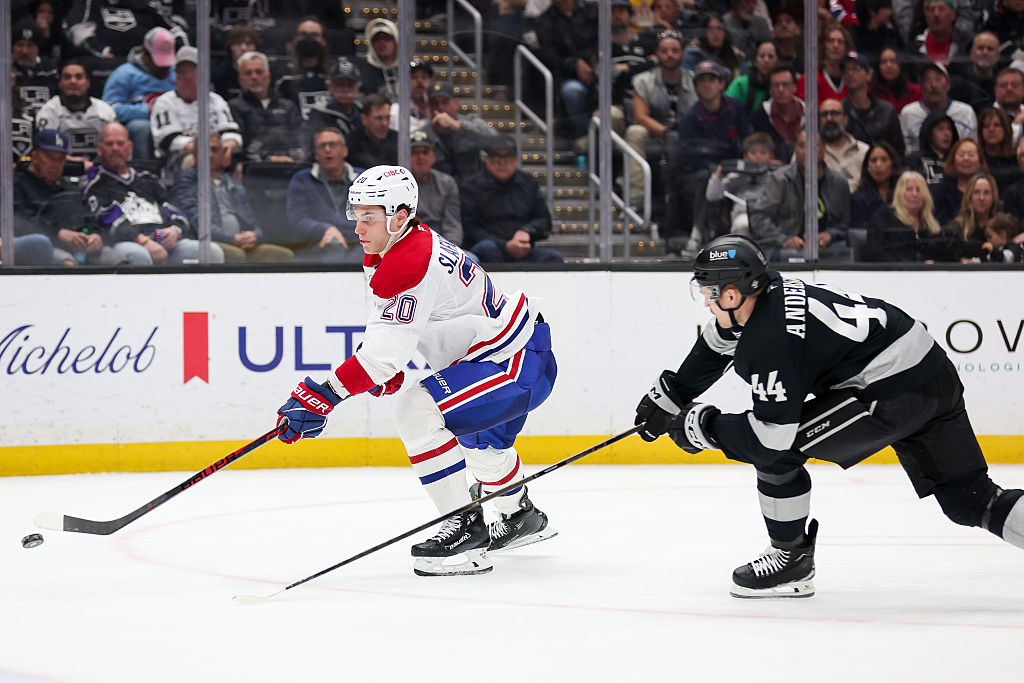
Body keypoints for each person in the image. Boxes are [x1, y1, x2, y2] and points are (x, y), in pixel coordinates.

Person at [632, 232, 1024, 599]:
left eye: (709, 294)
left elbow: (769, 439)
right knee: (969, 498)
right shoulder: (769, 294)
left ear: (732, 295)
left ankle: (791, 559)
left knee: (778, 451)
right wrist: (672, 394)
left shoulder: (771, 339)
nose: (706, 303)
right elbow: (719, 341)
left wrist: (698, 426)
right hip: (932, 374)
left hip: (891, 395)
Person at [274, 165, 558, 576]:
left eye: (368, 216)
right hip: (514, 352)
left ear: (400, 215)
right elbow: (393, 332)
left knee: (415, 408)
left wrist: (323, 395)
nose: (357, 226)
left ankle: (465, 530)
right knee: (484, 448)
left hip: (513, 363)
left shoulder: (409, 259)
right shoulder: (396, 246)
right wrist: (376, 367)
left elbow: (382, 355)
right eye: (355, 214)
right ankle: (520, 517)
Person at [81, 122, 223, 265]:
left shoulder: (147, 178)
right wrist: (143, 240)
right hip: (127, 241)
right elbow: (105, 221)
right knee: (139, 255)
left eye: (120, 143)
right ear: (100, 149)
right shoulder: (95, 182)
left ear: (129, 147)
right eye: (109, 144)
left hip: (158, 236)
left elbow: (170, 208)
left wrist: (174, 230)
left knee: (212, 251)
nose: (115, 148)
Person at [169, 133, 294, 264]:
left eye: (214, 150)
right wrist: (232, 239)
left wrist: (255, 236)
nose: (209, 155)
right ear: (195, 154)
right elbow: (197, 223)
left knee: (282, 254)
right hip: (208, 242)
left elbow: (252, 220)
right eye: (203, 150)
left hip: (240, 242)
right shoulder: (186, 181)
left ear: (224, 153)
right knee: (236, 255)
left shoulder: (234, 185)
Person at [13, 129, 124, 266]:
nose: (55, 164)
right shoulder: (16, 185)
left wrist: (95, 235)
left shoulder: (68, 187)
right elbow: (19, 224)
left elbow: (88, 218)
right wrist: (58, 233)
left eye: (60, 159)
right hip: (43, 247)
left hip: (80, 247)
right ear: (34, 156)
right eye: (50, 158)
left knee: (117, 259)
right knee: (67, 263)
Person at [749, 128, 851, 261]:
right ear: (795, 150)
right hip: (786, 248)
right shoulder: (779, 180)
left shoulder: (839, 183)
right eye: (802, 146)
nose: (807, 151)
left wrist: (829, 235)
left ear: (824, 150)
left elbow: (845, 224)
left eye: (813, 146)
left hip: (828, 248)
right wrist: (784, 239)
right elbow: (759, 218)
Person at [460, 136, 563, 264]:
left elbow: (544, 220)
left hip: (522, 248)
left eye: (507, 157)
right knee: (488, 248)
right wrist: (505, 245)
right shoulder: (471, 186)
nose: (502, 163)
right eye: (496, 157)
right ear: (487, 159)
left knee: (554, 257)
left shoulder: (528, 183)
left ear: (516, 160)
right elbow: (470, 228)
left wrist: (527, 230)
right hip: (486, 248)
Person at [625, 30, 697, 212]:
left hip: (689, 136)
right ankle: (636, 201)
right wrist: (667, 133)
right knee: (635, 132)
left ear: (683, 54)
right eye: (664, 51)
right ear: (657, 54)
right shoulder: (643, 81)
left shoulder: (696, 81)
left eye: (675, 51)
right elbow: (641, 117)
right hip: (656, 136)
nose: (669, 55)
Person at [150, 47, 242, 177]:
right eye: (181, 71)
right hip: (179, 157)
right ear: (175, 75)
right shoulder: (165, 102)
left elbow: (231, 132)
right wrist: (204, 151)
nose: (187, 76)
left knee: (238, 164)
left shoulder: (216, 100)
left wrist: (227, 146)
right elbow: (169, 140)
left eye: (193, 70)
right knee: (194, 160)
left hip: (216, 152)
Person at [283, 127, 364, 263]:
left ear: (344, 151)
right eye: (322, 146)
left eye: (333, 144)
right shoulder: (302, 179)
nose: (327, 150)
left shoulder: (364, 178)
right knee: (334, 247)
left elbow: (375, 216)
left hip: (359, 241)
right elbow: (297, 221)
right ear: (316, 154)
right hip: (320, 243)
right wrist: (325, 229)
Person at [101, 27, 178, 159]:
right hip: (142, 123)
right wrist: (148, 111)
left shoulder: (178, 73)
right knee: (141, 128)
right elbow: (109, 109)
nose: (164, 68)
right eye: (159, 62)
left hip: (175, 121)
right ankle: (143, 167)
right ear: (144, 54)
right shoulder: (124, 74)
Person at [534, 0, 599, 144]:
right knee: (571, 91)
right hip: (568, 77)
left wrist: (595, 65)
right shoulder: (544, 21)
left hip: (602, 71)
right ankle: (590, 138)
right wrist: (574, 63)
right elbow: (550, 57)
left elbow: (602, 42)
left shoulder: (593, 11)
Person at [228, 51, 309, 164]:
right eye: (248, 73)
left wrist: (293, 157)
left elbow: (301, 138)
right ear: (240, 79)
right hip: (252, 167)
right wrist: (267, 159)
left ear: (268, 76)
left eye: (259, 72)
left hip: (290, 163)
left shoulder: (288, 106)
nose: (254, 77)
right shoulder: (233, 107)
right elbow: (237, 145)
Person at [35, 60, 116, 168]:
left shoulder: (105, 111)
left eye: (79, 77)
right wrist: (74, 163)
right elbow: (46, 152)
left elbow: (116, 148)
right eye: (67, 77)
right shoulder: (48, 112)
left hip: (100, 169)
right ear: (60, 83)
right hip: (61, 169)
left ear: (88, 82)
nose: (73, 81)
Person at [867, 169, 955, 260]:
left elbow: (944, 257)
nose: (914, 194)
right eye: (909, 189)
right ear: (900, 194)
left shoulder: (931, 224)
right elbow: (876, 255)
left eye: (919, 190)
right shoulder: (884, 217)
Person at [704, 132, 777, 235]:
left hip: (770, 215)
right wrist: (717, 176)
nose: (758, 156)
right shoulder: (736, 175)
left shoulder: (777, 176)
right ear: (745, 156)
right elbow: (712, 196)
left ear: (771, 156)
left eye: (763, 152)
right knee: (743, 225)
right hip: (743, 213)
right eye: (753, 152)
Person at [425, 82, 497, 185]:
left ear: (456, 103)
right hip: (439, 190)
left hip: (472, 188)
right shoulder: (424, 134)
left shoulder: (471, 122)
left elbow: (495, 141)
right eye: (434, 103)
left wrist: (459, 126)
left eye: (445, 102)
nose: (440, 107)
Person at [898, 61, 976, 156]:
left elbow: (973, 148)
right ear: (921, 87)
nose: (933, 85)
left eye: (938, 79)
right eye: (928, 81)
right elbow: (905, 151)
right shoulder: (908, 113)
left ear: (948, 85)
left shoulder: (966, 112)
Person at [841, 50, 905, 155]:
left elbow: (898, 152)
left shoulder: (887, 111)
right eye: (846, 70)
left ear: (869, 75)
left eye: (856, 68)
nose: (850, 73)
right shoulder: (838, 111)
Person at [408, 129, 463, 248]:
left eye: (425, 152)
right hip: (409, 246)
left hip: (442, 245)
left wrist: (451, 249)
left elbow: (452, 225)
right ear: (405, 156)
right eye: (414, 152)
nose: (420, 157)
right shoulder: (397, 184)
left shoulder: (447, 183)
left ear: (433, 156)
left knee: (472, 257)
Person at [274, 16, 330, 120]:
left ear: (323, 41)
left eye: (314, 35)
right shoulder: (282, 78)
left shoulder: (333, 76)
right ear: (294, 39)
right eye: (303, 34)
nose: (309, 39)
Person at [751, 65, 805, 162]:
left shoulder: (809, 115)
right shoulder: (759, 116)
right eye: (776, 85)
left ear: (794, 87)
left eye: (785, 84)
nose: (781, 90)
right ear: (770, 90)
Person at [930, 137, 988, 223]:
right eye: (961, 155)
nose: (966, 158)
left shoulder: (989, 187)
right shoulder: (940, 190)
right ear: (953, 160)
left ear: (980, 161)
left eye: (971, 155)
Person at [944, 172, 1000, 259]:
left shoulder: (1002, 225)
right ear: (969, 196)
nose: (981, 198)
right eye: (976, 192)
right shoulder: (956, 229)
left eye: (986, 193)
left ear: (994, 197)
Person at [306, 56, 363, 142]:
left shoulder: (364, 112)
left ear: (357, 88)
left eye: (350, 85)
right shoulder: (318, 115)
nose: (345, 90)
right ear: (330, 87)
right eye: (340, 85)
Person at [797, 21, 853, 106]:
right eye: (830, 41)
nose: (835, 45)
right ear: (823, 46)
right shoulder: (809, 80)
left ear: (846, 47)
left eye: (840, 42)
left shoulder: (853, 79)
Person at [820, 97, 870, 192]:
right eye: (824, 115)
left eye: (835, 113)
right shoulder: (808, 152)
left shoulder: (863, 151)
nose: (829, 119)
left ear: (845, 119)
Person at [11, 17, 57, 117]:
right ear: (12, 47)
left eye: (30, 45)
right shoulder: (6, 70)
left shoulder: (49, 68)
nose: (24, 51)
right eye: (20, 45)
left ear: (37, 47)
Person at [852, 140, 902, 225]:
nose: (878, 165)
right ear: (867, 166)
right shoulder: (859, 199)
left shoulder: (903, 193)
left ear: (893, 164)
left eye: (884, 160)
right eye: (873, 161)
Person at [683, 12, 745, 80]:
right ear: (703, 32)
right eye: (711, 29)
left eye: (719, 28)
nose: (716, 33)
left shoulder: (735, 54)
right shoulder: (693, 54)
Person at [949, 31, 1000, 113]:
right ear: (972, 53)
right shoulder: (958, 84)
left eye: (990, 49)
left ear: (998, 55)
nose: (985, 52)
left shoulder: (1004, 83)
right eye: (980, 48)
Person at [904, 111, 959, 183]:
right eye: (940, 129)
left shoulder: (958, 160)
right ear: (929, 133)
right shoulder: (915, 160)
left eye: (950, 129)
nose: (947, 133)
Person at [724, 40, 777, 115]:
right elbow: (727, 110)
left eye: (770, 56)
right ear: (755, 61)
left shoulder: (780, 85)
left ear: (777, 60)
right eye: (762, 56)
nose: (766, 60)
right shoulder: (741, 83)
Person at [346, 92, 398, 169]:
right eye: (378, 118)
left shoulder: (398, 140)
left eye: (387, 118)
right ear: (364, 119)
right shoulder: (351, 144)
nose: (384, 123)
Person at [212, 24, 260, 101]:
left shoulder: (263, 73)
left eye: (248, 44)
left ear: (255, 47)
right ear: (230, 47)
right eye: (238, 43)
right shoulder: (220, 74)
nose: (243, 48)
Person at [978, 107, 1021, 192]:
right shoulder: (977, 160)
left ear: (1006, 129)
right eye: (986, 126)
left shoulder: (1018, 160)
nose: (991, 129)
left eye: (997, 125)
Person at [357, 18, 400, 99]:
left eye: (387, 38)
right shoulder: (362, 71)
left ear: (395, 41)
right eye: (377, 39)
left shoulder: (406, 70)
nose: (382, 43)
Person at [872, 47, 923, 113]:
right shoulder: (870, 92)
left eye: (893, 61)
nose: (889, 66)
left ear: (900, 65)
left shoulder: (916, 92)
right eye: (884, 62)